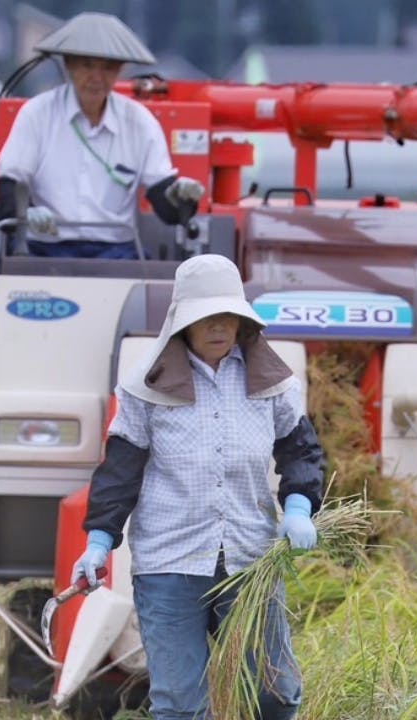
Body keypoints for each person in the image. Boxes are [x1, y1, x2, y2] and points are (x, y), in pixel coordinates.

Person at [73, 254, 326, 719]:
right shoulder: (145, 388)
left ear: (242, 320)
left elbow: (301, 452)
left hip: (250, 559)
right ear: (182, 323)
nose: (218, 326)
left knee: (276, 692)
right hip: (170, 562)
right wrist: (98, 542)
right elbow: (119, 472)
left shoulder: (271, 384)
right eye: (206, 317)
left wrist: (298, 507)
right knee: (180, 705)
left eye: (227, 316)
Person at [0, 12, 205, 259]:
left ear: (120, 70)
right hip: (44, 246)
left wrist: (180, 198)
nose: (97, 77)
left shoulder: (140, 122)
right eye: (87, 66)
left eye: (108, 68)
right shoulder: (37, 113)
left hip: (117, 251)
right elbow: (10, 181)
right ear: (69, 65)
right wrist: (25, 214)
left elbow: (164, 200)